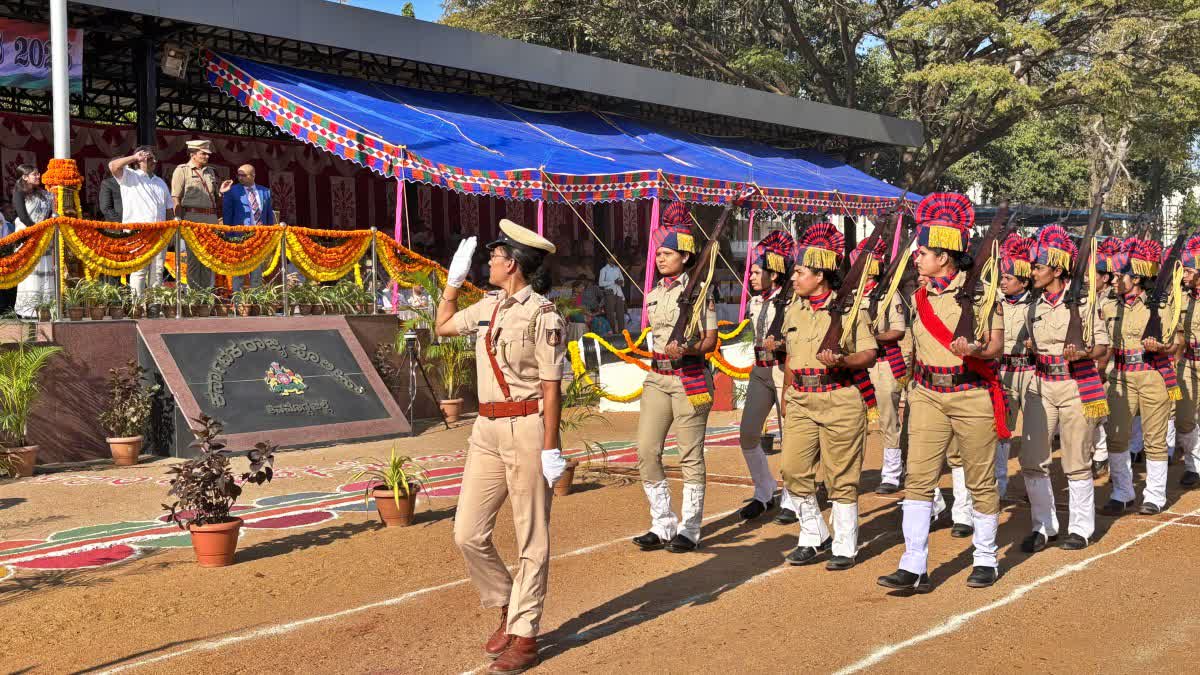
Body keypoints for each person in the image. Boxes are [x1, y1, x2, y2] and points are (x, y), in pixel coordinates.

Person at [435, 218, 565, 674]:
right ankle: (508, 604)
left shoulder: (544, 315)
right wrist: (452, 284)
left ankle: (525, 633)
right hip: (486, 432)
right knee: (467, 532)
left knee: (531, 536)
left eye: (493, 256)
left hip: (528, 428)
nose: (487, 262)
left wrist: (551, 447)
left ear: (512, 263)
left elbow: (552, 387)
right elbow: (444, 326)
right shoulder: (490, 306)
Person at [877, 193, 1005, 592]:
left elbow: (996, 347)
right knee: (918, 480)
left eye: (923, 252)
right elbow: (911, 349)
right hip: (927, 393)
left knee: (981, 480)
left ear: (945, 257)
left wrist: (977, 350)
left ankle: (985, 557)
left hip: (971, 393)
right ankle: (913, 563)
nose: (916, 258)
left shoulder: (983, 294)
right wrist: (902, 385)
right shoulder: (918, 297)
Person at [780, 223, 878, 569]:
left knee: (841, 476)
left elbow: (869, 354)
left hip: (840, 396)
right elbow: (791, 358)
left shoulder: (851, 308)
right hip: (802, 398)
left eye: (800, 272)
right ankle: (814, 533)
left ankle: (845, 544)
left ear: (820, 275)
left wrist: (843, 360)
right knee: (792, 469)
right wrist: (786, 395)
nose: (793, 278)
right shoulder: (795, 310)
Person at [632, 201, 718, 553]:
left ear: (685, 256)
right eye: (658, 253)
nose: (660, 259)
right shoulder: (653, 294)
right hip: (657, 378)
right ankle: (663, 522)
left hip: (690, 378)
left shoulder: (701, 293)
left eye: (667, 253)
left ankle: (691, 528)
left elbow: (711, 341)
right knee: (646, 451)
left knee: (690, 455)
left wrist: (690, 348)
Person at [1019, 225, 1110, 552]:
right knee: (1032, 459)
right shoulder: (1032, 305)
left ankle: (1081, 528)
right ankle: (1044, 525)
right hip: (1040, 385)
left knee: (1076, 458)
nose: (1032, 272)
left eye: (1038, 267)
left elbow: (1103, 346)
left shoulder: (1085, 302)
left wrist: (1085, 353)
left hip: (1075, 385)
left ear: (1057, 270)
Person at [1101, 237, 1179, 516]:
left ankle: (1155, 495)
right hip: (1120, 376)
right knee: (1117, 437)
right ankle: (1122, 492)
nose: (1115, 279)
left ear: (1136, 278)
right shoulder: (1109, 304)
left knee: (1154, 439)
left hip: (1151, 373)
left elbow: (1174, 343)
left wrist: (1161, 346)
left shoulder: (1159, 302)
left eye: (1121, 274)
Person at [738, 230, 795, 521]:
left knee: (791, 437)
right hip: (760, 369)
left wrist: (783, 344)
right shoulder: (756, 301)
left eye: (757, 272)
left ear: (773, 275)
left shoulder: (792, 301)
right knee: (748, 433)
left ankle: (793, 495)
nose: (751, 277)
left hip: (784, 369)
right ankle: (764, 490)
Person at [858, 237, 910, 497]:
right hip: (858, 366)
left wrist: (869, 338)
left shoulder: (890, 294)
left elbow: (898, 331)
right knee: (854, 420)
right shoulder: (853, 295)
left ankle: (891, 473)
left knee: (888, 420)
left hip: (883, 363)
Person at [995, 233, 1037, 498]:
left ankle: (1035, 485)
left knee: (1034, 432)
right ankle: (999, 487)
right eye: (1003, 277)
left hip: (1030, 371)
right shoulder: (994, 303)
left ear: (1023, 281)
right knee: (1001, 430)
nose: (1003, 282)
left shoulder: (1035, 305)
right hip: (1003, 370)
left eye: (1008, 278)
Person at [109, 146, 173, 295]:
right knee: (139, 271)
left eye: (154, 158)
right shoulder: (130, 176)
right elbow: (113, 166)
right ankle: (137, 306)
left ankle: (154, 306)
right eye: (149, 158)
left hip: (160, 233)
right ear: (139, 160)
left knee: (157, 271)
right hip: (139, 233)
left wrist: (170, 232)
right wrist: (134, 157)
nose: (154, 161)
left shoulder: (160, 182)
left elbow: (169, 209)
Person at [1090, 237, 1125, 478]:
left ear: (1105, 277)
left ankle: (1103, 456)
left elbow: (1111, 339)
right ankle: (1099, 454)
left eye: (1093, 274)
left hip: (1109, 364)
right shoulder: (1086, 299)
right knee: (1092, 414)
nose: (1087, 279)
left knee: (1105, 416)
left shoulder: (1113, 302)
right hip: (1089, 362)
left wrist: (1102, 368)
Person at [171, 139, 221, 287]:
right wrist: (178, 220)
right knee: (194, 260)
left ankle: (205, 297)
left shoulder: (210, 171)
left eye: (207, 154)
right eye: (203, 154)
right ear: (193, 154)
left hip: (210, 219)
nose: (206, 157)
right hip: (191, 219)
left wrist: (222, 193)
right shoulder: (182, 170)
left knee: (207, 259)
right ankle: (194, 298)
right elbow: (175, 198)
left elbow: (215, 198)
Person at [221, 164, 277, 291]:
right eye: (238, 175)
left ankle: (256, 302)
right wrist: (229, 237)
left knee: (257, 273)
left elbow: (268, 216)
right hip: (239, 238)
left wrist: (268, 235)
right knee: (239, 273)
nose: (240, 178)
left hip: (259, 237)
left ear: (253, 176)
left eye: (243, 175)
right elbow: (227, 215)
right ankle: (238, 303)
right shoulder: (232, 191)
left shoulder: (265, 192)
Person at [12, 165, 55, 318]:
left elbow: (52, 214)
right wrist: (34, 232)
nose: (38, 176)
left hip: (43, 238)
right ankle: (28, 310)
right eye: (34, 174)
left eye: (38, 174)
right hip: (27, 236)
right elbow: (23, 216)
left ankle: (46, 309)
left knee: (45, 270)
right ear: (24, 177)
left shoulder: (45, 194)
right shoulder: (19, 193)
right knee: (30, 273)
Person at [1179, 235, 1200, 487]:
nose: (1184, 275)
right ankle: (1193, 465)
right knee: (1184, 418)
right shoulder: (1180, 297)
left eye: (1189, 270)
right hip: (1187, 361)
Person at [598, 256, 627, 334]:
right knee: (610, 314)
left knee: (620, 314)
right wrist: (613, 282)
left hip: (619, 292)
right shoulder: (604, 270)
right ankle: (612, 332)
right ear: (608, 258)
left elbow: (622, 280)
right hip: (609, 292)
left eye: (616, 257)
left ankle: (622, 333)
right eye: (613, 257)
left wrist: (621, 282)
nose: (615, 259)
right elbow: (600, 283)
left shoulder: (617, 269)